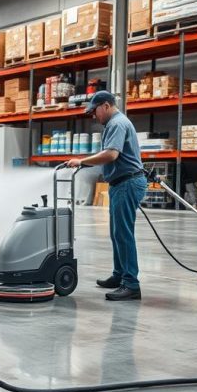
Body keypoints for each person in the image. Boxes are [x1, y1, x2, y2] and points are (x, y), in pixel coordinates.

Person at [67, 90, 145, 301]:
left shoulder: (117, 124)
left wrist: (82, 161)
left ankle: (131, 284)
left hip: (128, 183)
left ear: (106, 106)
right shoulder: (115, 123)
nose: (94, 116)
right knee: (116, 233)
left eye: (95, 111)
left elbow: (111, 154)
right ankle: (120, 275)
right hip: (121, 183)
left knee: (123, 234)